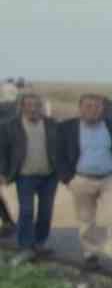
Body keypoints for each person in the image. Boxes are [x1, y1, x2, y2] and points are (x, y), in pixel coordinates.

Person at [54, 93, 112, 273]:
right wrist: (68, 180)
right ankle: (91, 255)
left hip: (110, 179)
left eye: (97, 106)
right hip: (82, 180)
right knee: (86, 220)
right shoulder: (66, 128)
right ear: (80, 108)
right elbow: (58, 155)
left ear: (102, 109)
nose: (92, 110)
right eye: (88, 106)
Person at [0, 93, 60, 264]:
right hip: (25, 176)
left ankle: (39, 244)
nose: (33, 109)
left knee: (45, 212)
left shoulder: (52, 124)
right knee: (26, 212)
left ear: (41, 107)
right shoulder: (10, 126)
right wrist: (2, 172)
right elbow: (2, 151)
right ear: (21, 107)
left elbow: (62, 146)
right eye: (28, 105)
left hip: (49, 176)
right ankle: (25, 247)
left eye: (36, 105)